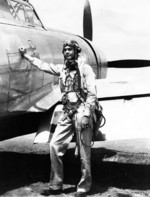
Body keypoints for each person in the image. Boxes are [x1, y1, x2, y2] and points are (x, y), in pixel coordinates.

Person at [19, 40, 98, 197]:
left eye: (70, 50)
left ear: (76, 52)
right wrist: (27, 56)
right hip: (67, 112)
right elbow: (43, 65)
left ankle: (84, 187)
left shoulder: (85, 69)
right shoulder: (62, 69)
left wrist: (87, 115)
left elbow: (92, 94)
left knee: (84, 152)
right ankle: (56, 185)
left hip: (82, 112)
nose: (67, 52)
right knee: (55, 146)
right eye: (65, 50)